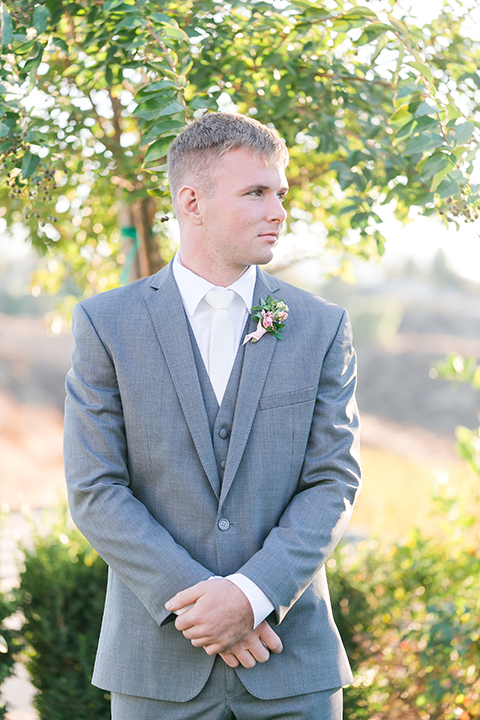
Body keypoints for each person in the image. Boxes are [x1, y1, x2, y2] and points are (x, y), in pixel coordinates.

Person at [64, 112, 361, 720]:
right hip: (158, 668)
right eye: (256, 193)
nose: (278, 210)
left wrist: (251, 598)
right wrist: (206, 609)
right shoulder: (106, 324)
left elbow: (333, 481)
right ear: (191, 202)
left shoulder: (320, 326)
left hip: (291, 666)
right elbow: (95, 490)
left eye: (280, 193)